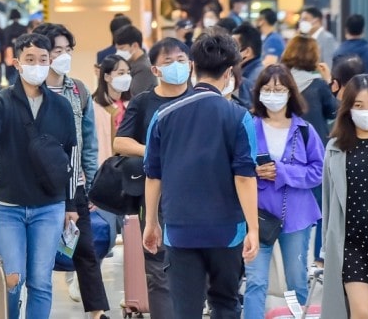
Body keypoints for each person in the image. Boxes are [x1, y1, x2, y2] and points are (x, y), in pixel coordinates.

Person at [142, 32, 259, 319]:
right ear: (229, 72)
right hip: (227, 231)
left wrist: (151, 223)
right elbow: (244, 177)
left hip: (180, 229)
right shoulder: (238, 116)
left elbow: (153, 174)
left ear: (193, 67)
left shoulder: (163, 115)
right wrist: (253, 229)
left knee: (185, 310)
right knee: (225, 304)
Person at [0, 32, 78, 319]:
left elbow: (71, 156)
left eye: (43, 59)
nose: (37, 65)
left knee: (41, 281)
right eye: (30, 59)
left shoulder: (61, 106)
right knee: (11, 280)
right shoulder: (0, 101)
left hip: (49, 206)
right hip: (8, 206)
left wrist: (71, 204)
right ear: (17, 63)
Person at [33, 23, 110, 318]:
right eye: (57, 51)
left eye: (68, 50)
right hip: (37, 185)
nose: (63, 56)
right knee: (39, 255)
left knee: (85, 249)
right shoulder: (29, 90)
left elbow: (88, 142)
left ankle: (97, 312)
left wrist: (89, 185)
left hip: (73, 183)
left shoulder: (78, 90)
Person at [113, 37, 192, 319]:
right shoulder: (144, 101)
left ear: (191, 65)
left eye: (181, 60)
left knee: (193, 269)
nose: (176, 66)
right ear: (156, 69)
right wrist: (153, 151)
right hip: (156, 195)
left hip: (197, 195)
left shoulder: (199, 99)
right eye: (168, 61)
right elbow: (120, 142)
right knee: (158, 270)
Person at [242, 64, 324, 319]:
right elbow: (235, 167)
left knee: (297, 280)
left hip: (296, 216)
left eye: (278, 89)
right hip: (257, 216)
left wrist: (283, 172)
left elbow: (319, 171)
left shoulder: (304, 130)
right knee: (255, 281)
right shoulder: (248, 127)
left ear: (290, 92)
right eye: (267, 89)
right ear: (258, 93)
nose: (273, 95)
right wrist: (254, 171)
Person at [322, 74, 368, 319]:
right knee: (363, 313)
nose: (367, 112)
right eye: (359, 105)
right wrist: (326, 246)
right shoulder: (336, 148)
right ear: (348, 109)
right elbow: (328, 201)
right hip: (351, 243)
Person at [280, 35, 338, 144]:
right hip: (315, 145)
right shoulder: (319, 85)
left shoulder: (279, 83)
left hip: (286, 144)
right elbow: (333, 112)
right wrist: (328, 80)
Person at [92, 54, 132, 164]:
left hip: (129, 164)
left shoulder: (132, 105)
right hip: (104, 164)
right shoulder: (94, 107)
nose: (126, 77)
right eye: (121, 73)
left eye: (128, 73)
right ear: (107, 77)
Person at [114, 24, 158, 97]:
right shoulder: (130, 63)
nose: (119, 52)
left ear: (135, 46)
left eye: (122, 48)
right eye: (117, 49)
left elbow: (136, 98)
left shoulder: (144, 68)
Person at [233, 22, 264, 110]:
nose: (229, 50)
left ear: (247, 52)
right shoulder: (252, 71)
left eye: (233, 46)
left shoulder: (253, 79)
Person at [2, 9, 27, 85]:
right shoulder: (24, 28)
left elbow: (5, 43)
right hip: (21, 53)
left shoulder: (6, 29)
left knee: (11, 76)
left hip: (9, 54)